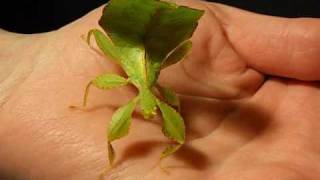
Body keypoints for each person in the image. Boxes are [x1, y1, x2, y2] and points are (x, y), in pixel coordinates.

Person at [1, 0, 320, 179]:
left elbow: (174, 120)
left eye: (151, 110)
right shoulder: (131, 90)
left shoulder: (166, 98)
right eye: (151, 109)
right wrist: (14, 77)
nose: (150, 113)